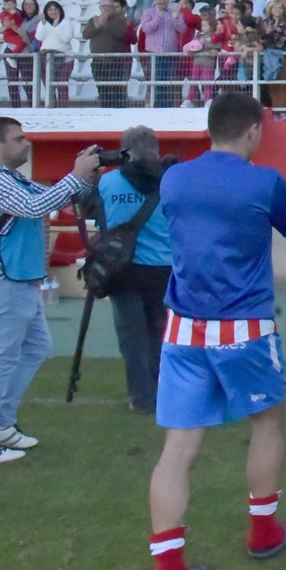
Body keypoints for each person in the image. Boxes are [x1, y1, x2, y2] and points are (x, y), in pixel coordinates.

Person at [146, 94, 286, 570]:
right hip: (243, 327)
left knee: (177, 448)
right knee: (267, 422)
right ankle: (263, 531)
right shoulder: (263, 180)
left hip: (182, 328)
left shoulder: (174, 179)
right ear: (253, 131)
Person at [0, 118, 100, 463]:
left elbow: (51, 199)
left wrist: (84, 177)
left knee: (37, 348)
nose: (27, 143)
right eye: (19, 138)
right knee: (0, 359)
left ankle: (1, 424)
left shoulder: (12, 178)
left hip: (20, 280)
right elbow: (35, 207)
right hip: (3, 281)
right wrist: (75, 174)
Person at [91, 126, 175, 415]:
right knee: (160, 332)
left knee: (131, 338)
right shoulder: (169, 181)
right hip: (163, 267)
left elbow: (94, 215)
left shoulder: (107, 182)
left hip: (121, 267)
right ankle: (163, 391)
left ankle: (141, 397)